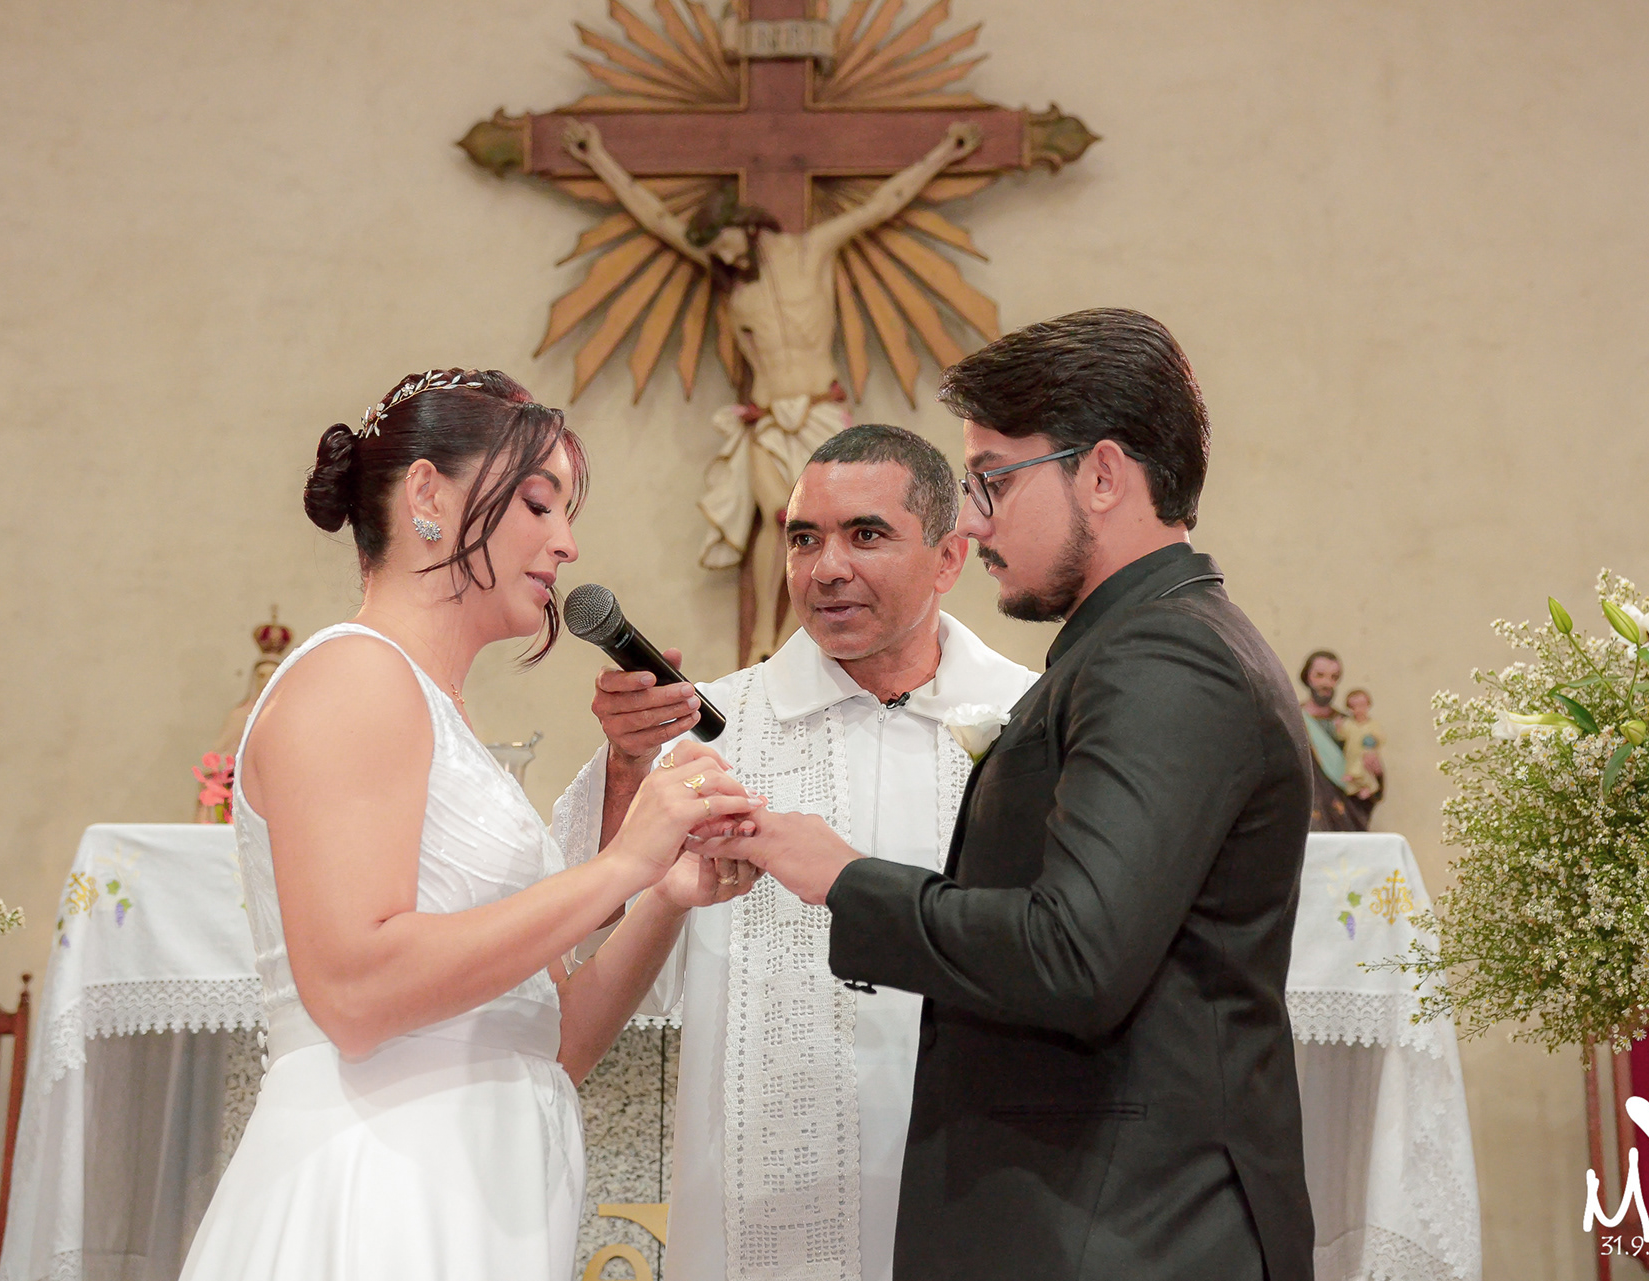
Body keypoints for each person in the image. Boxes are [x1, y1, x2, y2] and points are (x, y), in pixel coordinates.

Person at [711, 310, 1317, 1280]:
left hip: (1124, 1228)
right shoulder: (1131, 647)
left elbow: (1075, 955)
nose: (977, 519)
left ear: (1104, 474)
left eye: (992, 480)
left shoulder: (1164, 660)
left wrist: (846, 878)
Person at [179, 369, 763, 1281]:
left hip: (478, 1189)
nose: (566, 543)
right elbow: (357, 993)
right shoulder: (352, 678)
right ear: (427, 496)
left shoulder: (442, 719)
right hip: (379, 1190)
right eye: (539, 504)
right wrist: (621, 863)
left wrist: (668, 892)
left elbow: (554, 1039)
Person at [553, 424, 1035, 1281]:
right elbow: (594, 958)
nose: (826, 567)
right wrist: (630, 769)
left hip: (983, 1183)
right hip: (763, 1209)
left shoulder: (1036, 723)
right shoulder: (715, 732)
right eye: (804, 538)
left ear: (950, 556)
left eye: (866, 534)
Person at [561, 118, 983, 660]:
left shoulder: (812, 250)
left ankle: (795, 634)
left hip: (817, 410)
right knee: (776, 518)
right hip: (764, 415)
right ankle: (764, 638)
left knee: (827, 518)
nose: (727, 259)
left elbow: (884, 202)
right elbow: (658, 218)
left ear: (747, 225)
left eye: (728, 244)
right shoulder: (731, 277)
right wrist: (597, 156)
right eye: (715, 252)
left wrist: (944, 152)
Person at [1300, 649, 1375, 830]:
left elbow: (1367, 771)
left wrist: (1375, 770)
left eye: (1333, 677)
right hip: (1307, 814)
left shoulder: (1349, 725)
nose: (1327, 683)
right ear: (1307, 677)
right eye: (1320, 675)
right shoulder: (1294, 721)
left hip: (1344, 814)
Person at [1339, 687, 1383, 801]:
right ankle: (1356, 788)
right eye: (1354, 707)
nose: (1359, 710)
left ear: (1368, 705)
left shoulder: (1372, 724)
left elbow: (1380, 738)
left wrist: (1374, 740)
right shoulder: (1349, 723)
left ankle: (1370, 788)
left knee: (1365, 772)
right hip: (1352, 753)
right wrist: (1338, 727)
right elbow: (1342, 736)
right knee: (1352, 771)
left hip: (1366, 754)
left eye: (1362, 705)